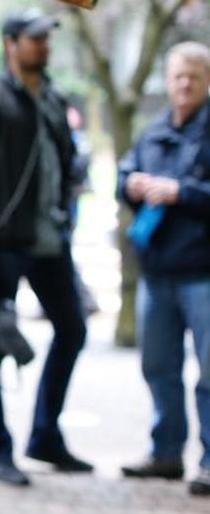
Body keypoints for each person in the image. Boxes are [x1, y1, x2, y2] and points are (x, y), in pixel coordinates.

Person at [0, 7, 92, 486]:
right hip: (3, 246)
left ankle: (45, 437)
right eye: (35, 38)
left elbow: (67, 162)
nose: (44, 46)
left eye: (47, 38)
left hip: (51, 240)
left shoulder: (53, 99)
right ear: (11, 42)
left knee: (73, 330)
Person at [118, 41, 210, 496]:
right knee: (159, 368)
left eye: (194, 75)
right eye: (178, 75)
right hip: (157, 273)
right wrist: (130, 184)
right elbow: (124, 175)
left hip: (202, 273)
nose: (185, 83)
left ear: (206, 79)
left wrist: (181, 192)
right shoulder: (153, 131)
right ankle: (166, 453)